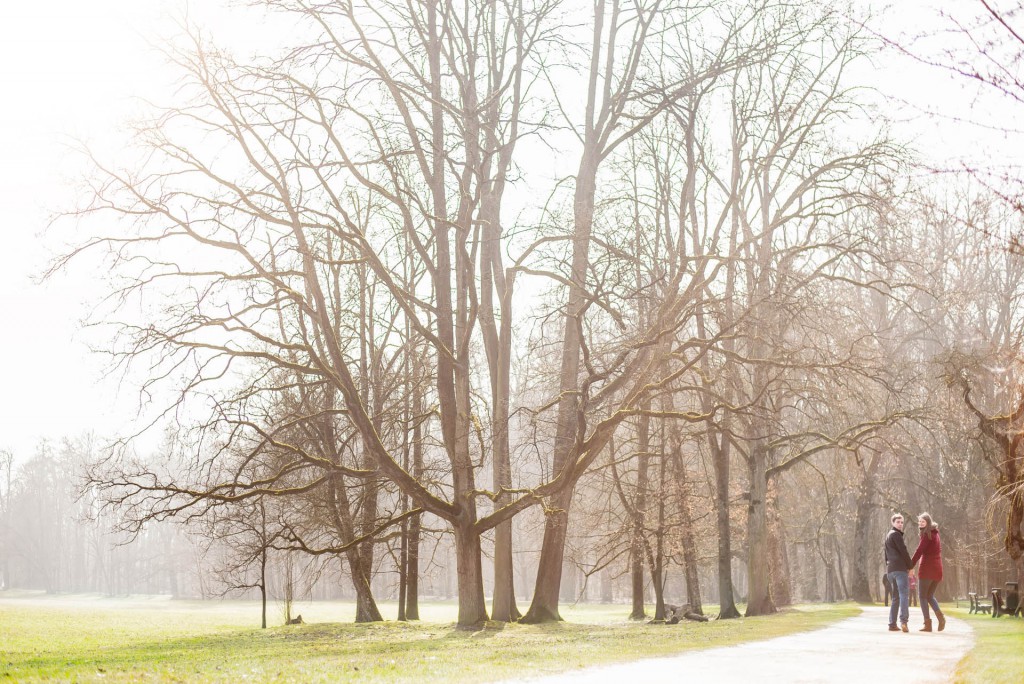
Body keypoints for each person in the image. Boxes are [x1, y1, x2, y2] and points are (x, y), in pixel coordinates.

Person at [910, 512, 945, 632]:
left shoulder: (927, 534)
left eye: (923, 522)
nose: (920, 523)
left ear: (928, 522)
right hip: (938, 569)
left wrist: (910, 564)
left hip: (927, 569)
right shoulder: (936, 533)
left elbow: (919, 550)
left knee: (922, 596)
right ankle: (941, 618)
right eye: (919, 521)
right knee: (929, 596)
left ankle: (928, 624)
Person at [884, 512, 914, 632]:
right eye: (898, 522)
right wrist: (910, 566)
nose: (900, 524)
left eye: (902, 522)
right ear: (893, 522)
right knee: (903, 595)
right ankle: (904, 622)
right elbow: (904, 551)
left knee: (896, 597)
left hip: (890, 570)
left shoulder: (888, 535)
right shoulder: (896, 535)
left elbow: (885, 555)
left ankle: (892, 624)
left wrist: (888, 565)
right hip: (899, 570)